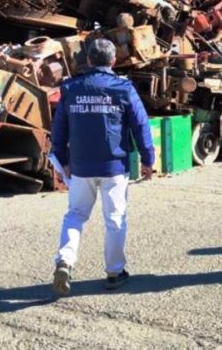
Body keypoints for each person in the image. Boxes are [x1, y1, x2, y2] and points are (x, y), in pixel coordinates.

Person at [50, 38, 155, 295]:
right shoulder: (123, 88)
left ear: (88, 61)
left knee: (75, 215)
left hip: (81, 167)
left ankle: (65, 260)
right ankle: (114, 271)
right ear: (113, 61)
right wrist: (148, 159)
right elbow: (141, 125)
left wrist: (61, 159)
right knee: (115, 219)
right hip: (114, 167)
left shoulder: (71, 88)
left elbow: (59, 127)